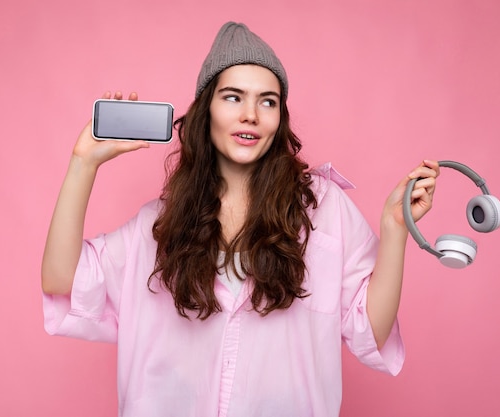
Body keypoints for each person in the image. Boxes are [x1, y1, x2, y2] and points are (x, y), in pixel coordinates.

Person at [41, 21, 439, 417]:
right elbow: (62, 280)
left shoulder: (323, 209)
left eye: (267, 101)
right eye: (233, 97)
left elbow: (372, 328)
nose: (251, 114)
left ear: (279, 116)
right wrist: (83, 164)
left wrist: (395, 229)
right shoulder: (158, 226)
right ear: (205, 110)